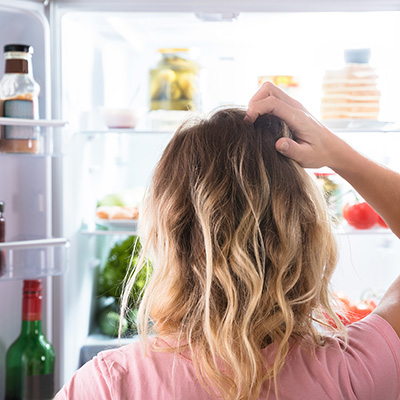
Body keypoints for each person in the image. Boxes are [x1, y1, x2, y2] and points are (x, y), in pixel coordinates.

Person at [55, 83, 400, 400]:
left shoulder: (107, 385)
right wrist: (338, 153)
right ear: (306, 231)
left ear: (165, 235)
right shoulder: (356, 372)